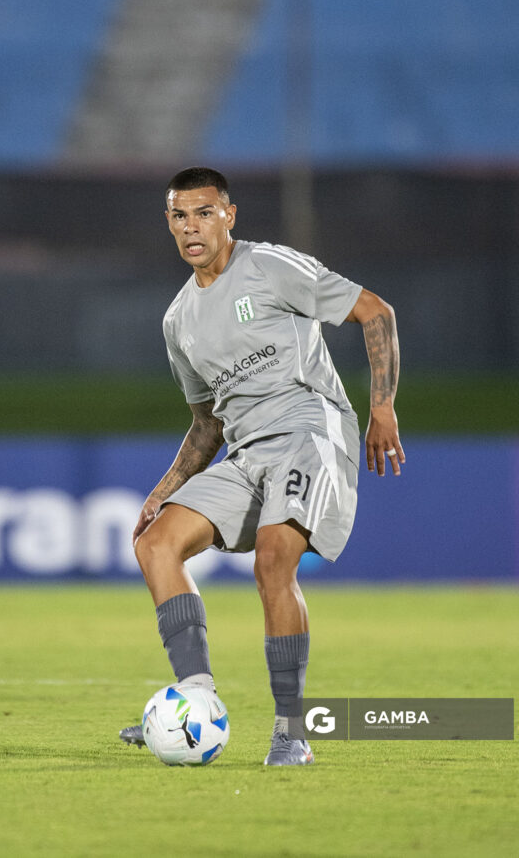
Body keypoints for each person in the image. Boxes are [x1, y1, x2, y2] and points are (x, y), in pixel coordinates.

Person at [120, 167, 404, 765]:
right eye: (179, 216)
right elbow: (207, 425)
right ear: (169, 224)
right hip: (246, 452)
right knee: (156, 545)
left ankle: (291, 731)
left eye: (203, 213)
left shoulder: (270, 265)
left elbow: (376, 311)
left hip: (309, 430)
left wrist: (383, 409)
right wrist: (165, 489)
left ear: (229, 215)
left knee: (274, 558)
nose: (191, 227)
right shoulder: (178, 322)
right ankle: (196, 700)